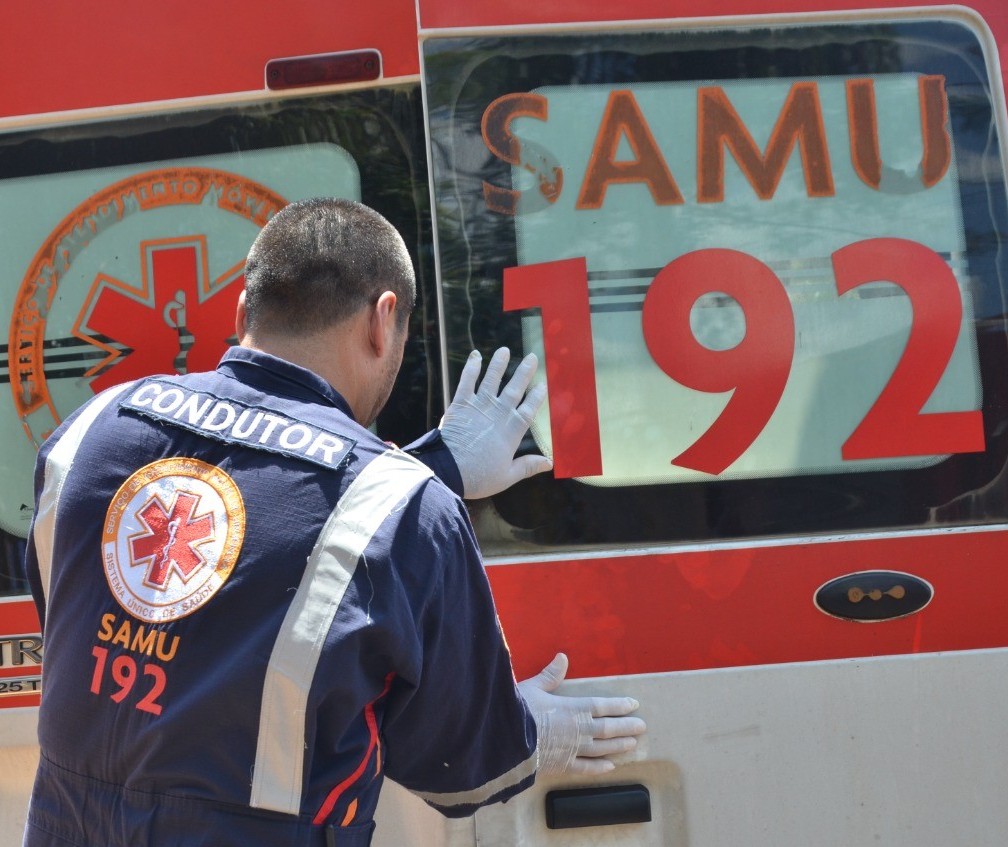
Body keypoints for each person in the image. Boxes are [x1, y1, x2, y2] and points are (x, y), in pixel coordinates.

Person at [22, 198, 645, 847]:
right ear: (382, 321)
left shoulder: (90, 432)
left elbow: (122, 609)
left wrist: (431, 470)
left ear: (243, 312)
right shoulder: (407, 514)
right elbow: (463, 772)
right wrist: (532, 733)